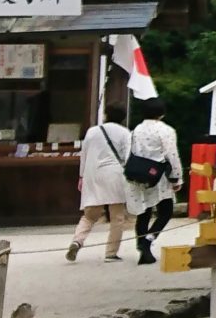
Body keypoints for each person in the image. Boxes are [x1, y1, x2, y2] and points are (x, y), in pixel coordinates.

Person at [125, 97, 184, 264]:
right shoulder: (166, 130)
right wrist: (177, 177)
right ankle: (149, 240)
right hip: (159, 175)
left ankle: (142, 246)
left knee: (144, 212)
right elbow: (171, 154)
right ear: (162, 113)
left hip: (139, 173)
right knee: (165, 212)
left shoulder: (136, 130)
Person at [69, 113, 134, 261]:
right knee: (117, 217)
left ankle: (77, 241)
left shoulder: (92, 131)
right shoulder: (124, 133)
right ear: (123, 117)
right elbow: (128, 156)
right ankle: (111, 253)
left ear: (105, 115)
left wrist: (81, 176)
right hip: (114, 174)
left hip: (92, 174)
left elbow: (83, 154)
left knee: (89, 216)